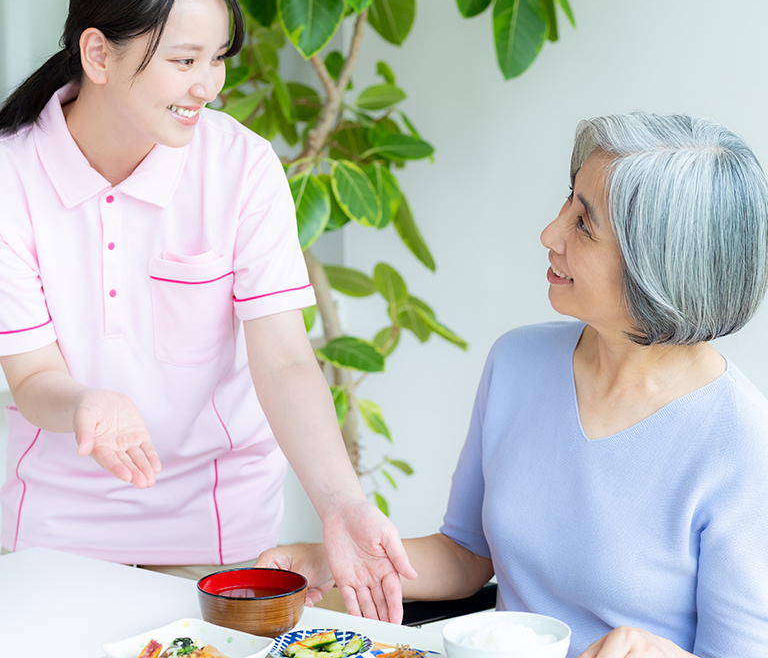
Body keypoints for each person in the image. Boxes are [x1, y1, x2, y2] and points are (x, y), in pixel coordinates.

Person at [0, 0, 414, 622]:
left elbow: (282, 360)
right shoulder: (10, 176)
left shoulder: (241, 167)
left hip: (217, 531)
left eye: (217, 58)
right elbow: (34, 378)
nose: (209, 85)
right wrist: (85, 405)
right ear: (97, 52)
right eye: (184, 59)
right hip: (56, 527)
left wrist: (340, 502)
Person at [257, 113, 768, 656]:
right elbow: (466, 554)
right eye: (567, 202)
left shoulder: (741, 441)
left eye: (584, 225)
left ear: (662, 267)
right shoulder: (518, 362)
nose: (550, 234)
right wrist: (332, 561)